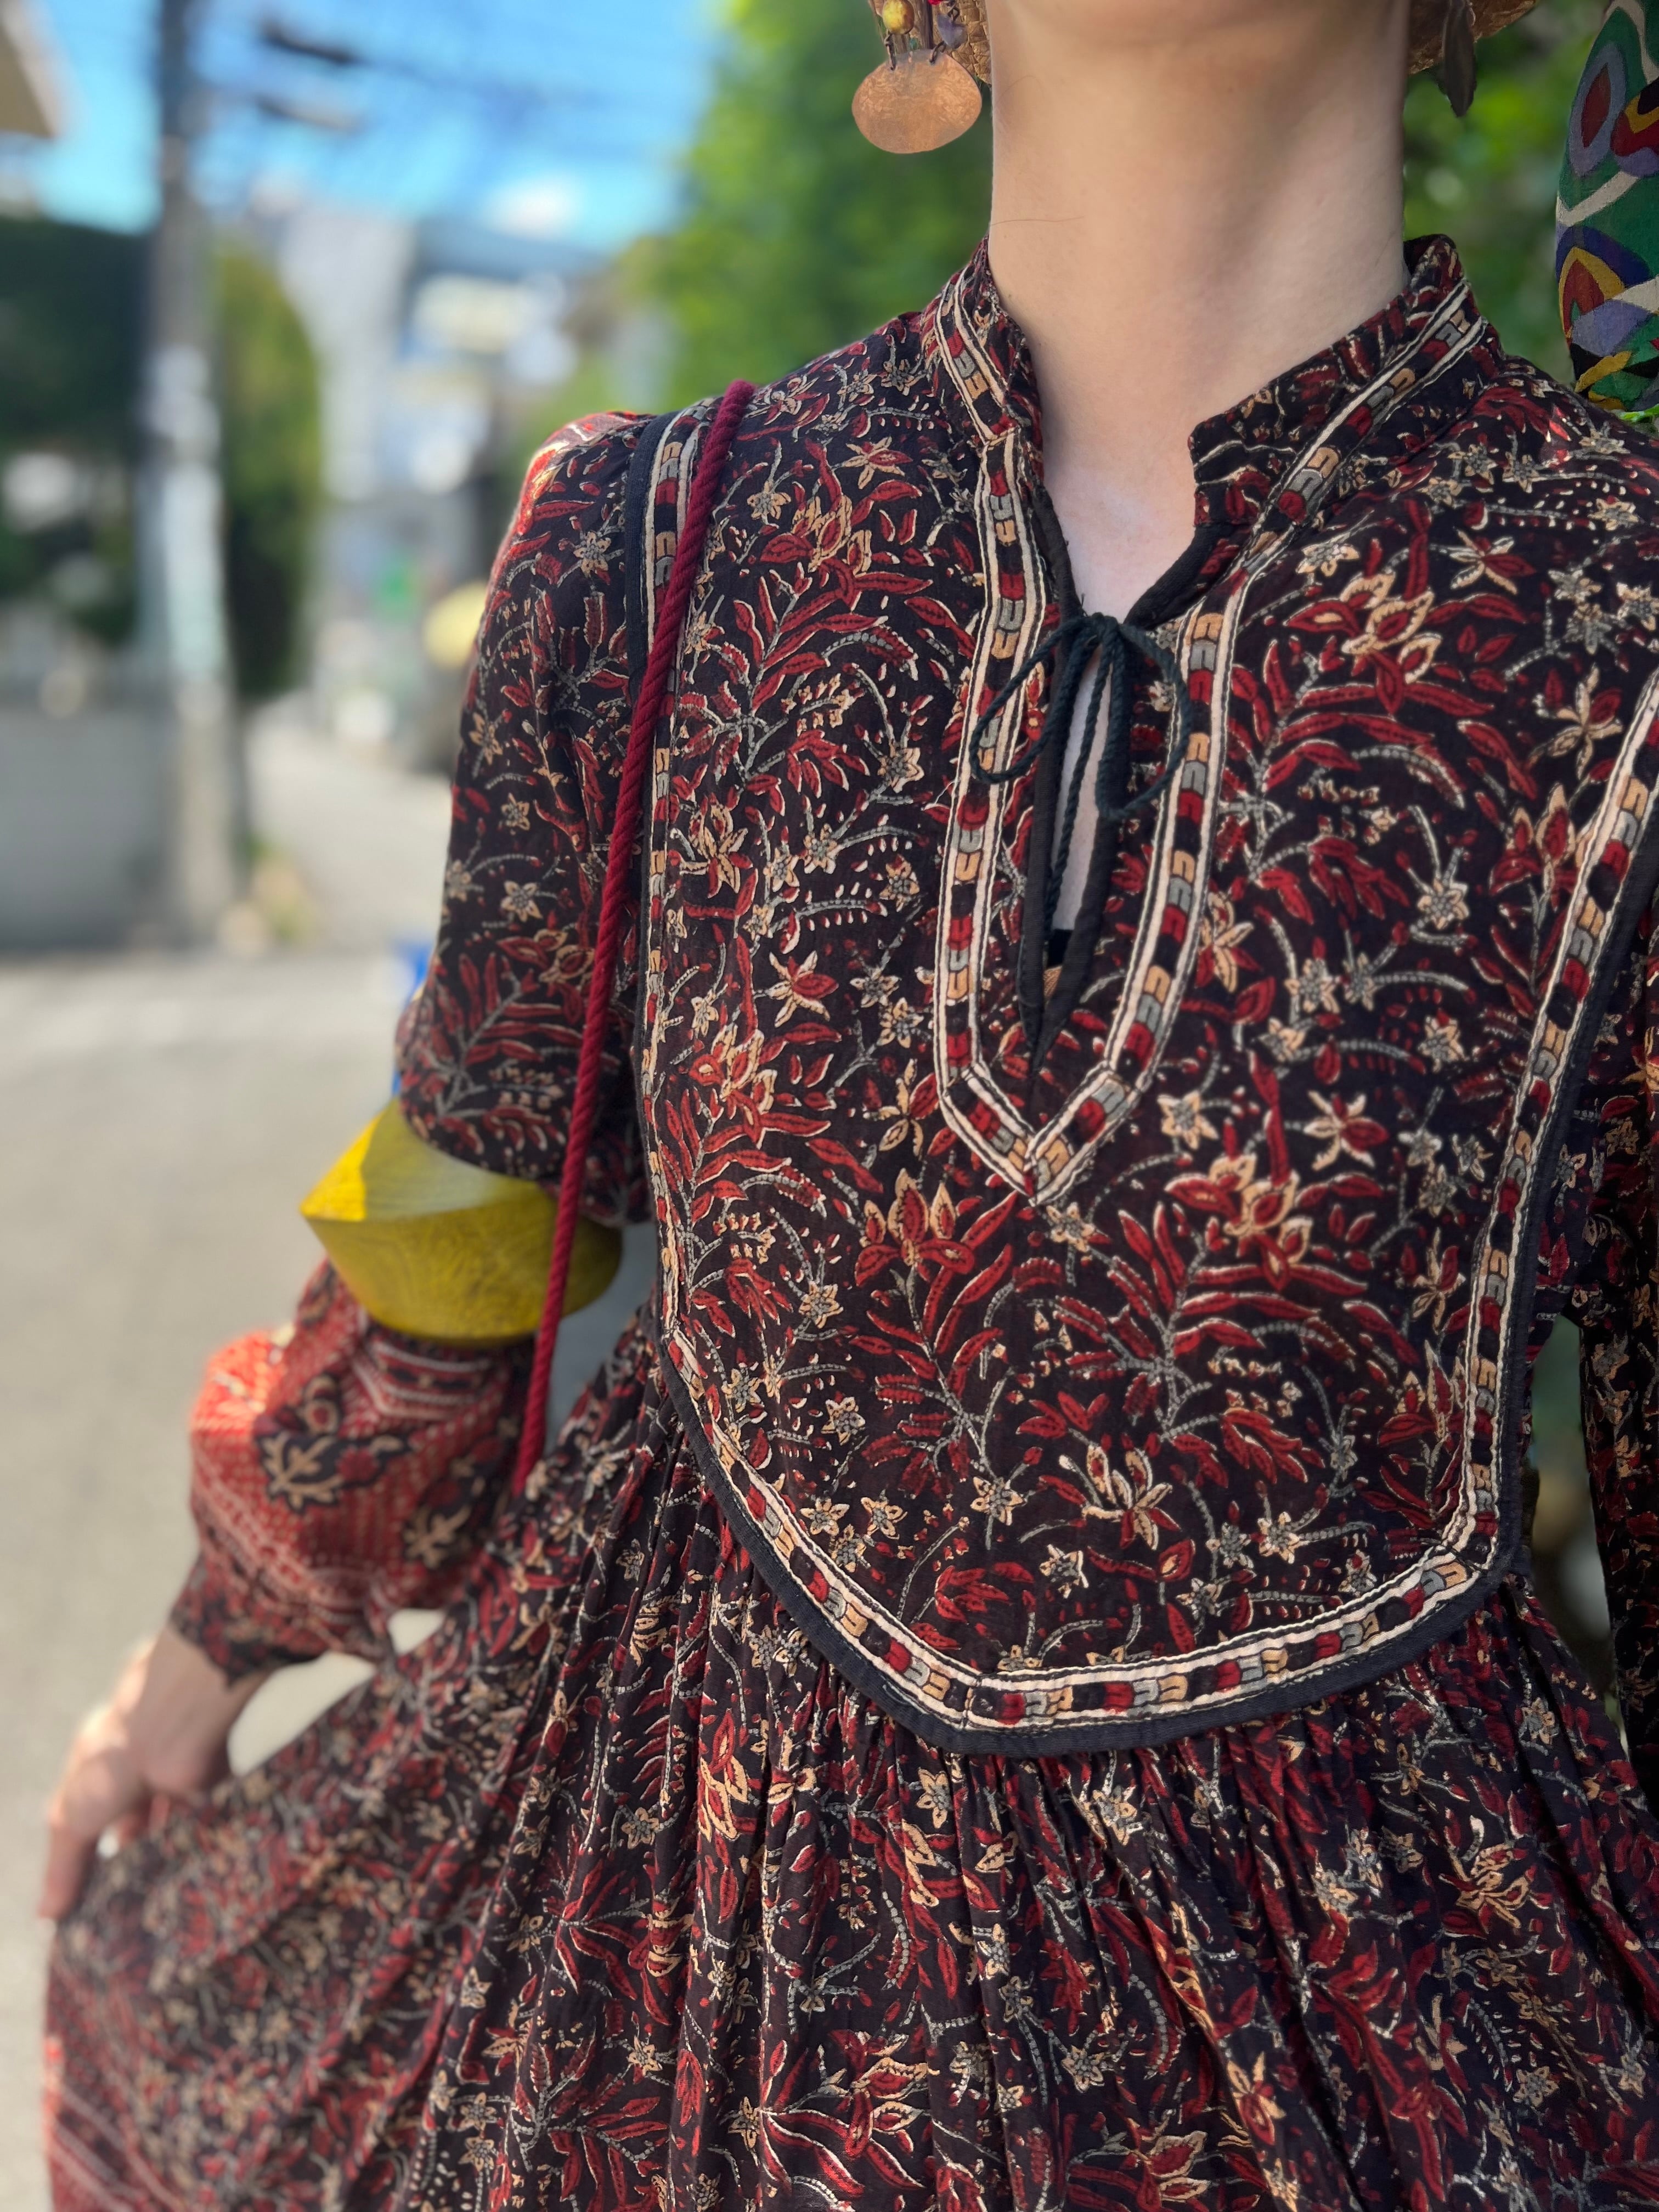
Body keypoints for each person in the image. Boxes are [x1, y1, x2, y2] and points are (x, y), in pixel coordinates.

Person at [41, 0, 1659, 2204]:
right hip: (644, 1969)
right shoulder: (647, 549)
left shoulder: (1613, 621)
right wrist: (211, 1629)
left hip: (1381, 2064)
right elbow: (466, 1196)